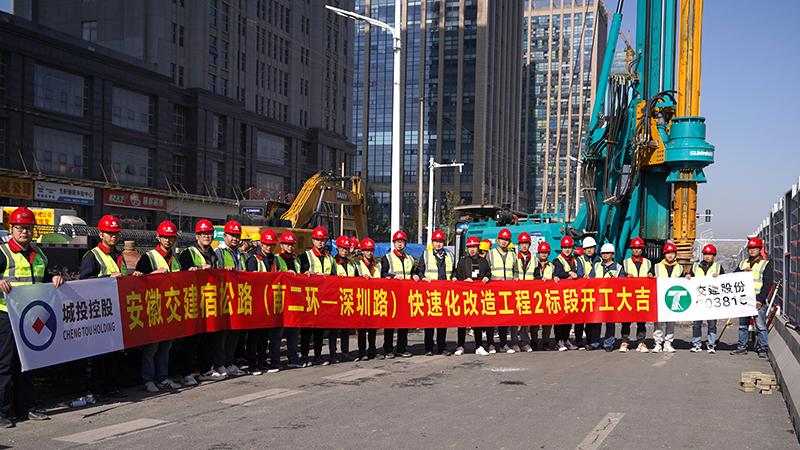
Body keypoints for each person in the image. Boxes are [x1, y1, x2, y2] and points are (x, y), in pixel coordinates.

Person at [0, 207, 63, 427]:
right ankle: (1, 413)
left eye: (28, 228)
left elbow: (43, 277)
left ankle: (24, 408)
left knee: (27, 365)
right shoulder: (3, 252)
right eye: (20, 228)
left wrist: (54, 278)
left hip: (29, 319)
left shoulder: (39, 255)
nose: (24, 232)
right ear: (12, 229)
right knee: (4, 366)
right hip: (6, 317)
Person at [79, 215, 128, 401]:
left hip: (114, 310)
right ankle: (95, 390)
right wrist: (108, 279)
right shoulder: (92, 256)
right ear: (100, 234)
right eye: (109, 233)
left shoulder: (119, 256)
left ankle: (111, 387)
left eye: (116, 233)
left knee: (113, 352)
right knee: (97, 354)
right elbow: (84, 282)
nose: (114, 236)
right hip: (98, 312)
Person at [133, 221, 182, 393]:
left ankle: (162, 378)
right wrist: (155, 274)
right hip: (153, 309)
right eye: (165, 237)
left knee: (165, 346)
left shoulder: (175, 259)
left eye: (171, 237)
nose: (168, 240)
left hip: (170, 308)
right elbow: (138, 280)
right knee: (152, 347)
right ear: (158, 237)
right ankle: (148, 380)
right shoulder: (148, 257)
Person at [179, 219, 225, 383]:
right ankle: (187, 373)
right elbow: (181, 275)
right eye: (203, 234)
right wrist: (198, 269)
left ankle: (205, 370)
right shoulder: (188, 253)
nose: (207, 236)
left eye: (209, 233)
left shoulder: (213, 254)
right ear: (196, 236)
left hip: (209, 303)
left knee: (208, 339)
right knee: (192, 341)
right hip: (193, 303)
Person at [213, 220, 248, 376]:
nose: (235, 238)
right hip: (224, 299)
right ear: (224, 235)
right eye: (232, 235)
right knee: (222, 335)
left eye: (237, 235)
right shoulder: (218, 252)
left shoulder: (241, 254)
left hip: (238, 299)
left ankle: (230, 363)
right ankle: (219, 365)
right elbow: (215, 273)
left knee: (234, 334)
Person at [299, 226, 335, 366]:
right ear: (313, 240)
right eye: (317, 239)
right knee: (307, 329)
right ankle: (305, 355)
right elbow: (301, 275)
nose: (320, 242)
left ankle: (318, 355)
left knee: (320, 328)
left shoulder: (330, 258)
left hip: (324, 298)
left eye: (322, 240)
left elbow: (334, 277)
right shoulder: (305, 256)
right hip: (310, 298)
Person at [732, 238, 773, 358]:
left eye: (755, 248)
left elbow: (767, 284)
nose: (752, 250)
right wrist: (742, 271)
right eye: (750, 248)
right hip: (744, 300)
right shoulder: (743, 263)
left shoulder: (765, 264)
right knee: (743, 326)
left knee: (760, 326)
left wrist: (760, 299)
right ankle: (742, 347)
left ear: (760, 250)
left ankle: (762, 348)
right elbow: (733, 277)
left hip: (757, 300)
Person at [417, 230, 455, 356]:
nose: (438, 244)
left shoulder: (450, 256)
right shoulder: (426, 254)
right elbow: (419, 271)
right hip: (430, 294)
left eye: (440, 242)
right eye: (436, 241)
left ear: (444, 243)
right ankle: (428, 347)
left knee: (443, 323)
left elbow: (453, 271)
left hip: (445, 294)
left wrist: (455, 277)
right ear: (432, 242)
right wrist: (423, 278)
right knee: (430, 322)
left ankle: (442, 347)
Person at [244, 229, 277, 374]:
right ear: (261, 244)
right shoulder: (253, 259)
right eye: (266, 244)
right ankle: (252, 364)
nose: (269, 247)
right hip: (255, 303)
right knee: (254, 335)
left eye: (271, 244)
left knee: (264, 335)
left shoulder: (274, 259)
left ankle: (263, 362)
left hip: (268, 303)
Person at [381, 230, 419, 358]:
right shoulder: (387, 258)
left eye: (401, 242)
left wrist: (415, 275)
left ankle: (401, 348)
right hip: (391, 296)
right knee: (390, 323)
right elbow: (382, 274)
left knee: (404, 323)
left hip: (405, 295)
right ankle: (388, 349)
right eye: (397, 242)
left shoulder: (410, 259)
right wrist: (392, 276)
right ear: (394, 243)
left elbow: (413, 272)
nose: (399, 244)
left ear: (405, 244)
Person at [271, 232, 304, 369]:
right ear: (281, 245)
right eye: (287, 244)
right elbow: (272, 276)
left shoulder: (296, 260)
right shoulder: (276, 259)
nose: (290, 247)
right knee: (277, 333)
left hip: (294, 301)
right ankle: (275, 361)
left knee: (294, 332)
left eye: (292, 244)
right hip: (280, 301)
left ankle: (293, 358)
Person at [454, 236, 492, 355]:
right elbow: (458, 275)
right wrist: (464, 281)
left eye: (474, 247)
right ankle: (460, 345)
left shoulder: (483, 262)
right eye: (470, 247)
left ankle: (479, 346)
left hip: (479, 296)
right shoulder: (463, 261)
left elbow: (488, 273)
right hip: (465, 296)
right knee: (462, 321)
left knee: (478, 322)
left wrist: (487, 278)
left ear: (478, 248)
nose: (472, 250)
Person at [685, 244, 724, 354]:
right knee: (697, 323)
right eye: (705, 254)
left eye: (710, 254)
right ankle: (696, 344)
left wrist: (718, 277)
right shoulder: (695, 266)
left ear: (714, 256)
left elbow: (724, 282)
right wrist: (688, 276)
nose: (707, 256)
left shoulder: (718, 267)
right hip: (699, 300)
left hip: (712, 300)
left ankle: (711, 344)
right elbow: (689, 277)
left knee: (711, 324)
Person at [590, 243, 627, 351]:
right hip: (598, 298)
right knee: (596, 321)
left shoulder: (618, 268)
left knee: (610, 322)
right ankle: (595, 343)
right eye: (603, 253)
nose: (605, 255)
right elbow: (591, 280)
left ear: (612, 254)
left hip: (611, 299)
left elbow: (621, 282)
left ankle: (608, 344)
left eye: (607, 253)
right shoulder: (597, 266)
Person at [487, 228, 519, 353]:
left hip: (507, 291)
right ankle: (490, 343)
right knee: (492, 318)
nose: (504, 242)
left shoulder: (512, 255)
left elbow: (515, 271)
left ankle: (503, 343)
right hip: (494, 290)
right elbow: (486, 271)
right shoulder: (491, 253)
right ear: (498, 240)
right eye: (502, 239)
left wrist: (516, 278)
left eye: (506, 240)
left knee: (504, 318)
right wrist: (494, 278)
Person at [622, 237, 654, 353]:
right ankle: (624, 342)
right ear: (631, 249)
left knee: (641, 320)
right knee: (626, 319)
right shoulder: (625, 262)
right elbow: (620, 276)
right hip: (629, 295)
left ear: (642, 249)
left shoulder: (648, 262)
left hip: (642, 295)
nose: (636, 250)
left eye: (638, 248)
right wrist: (626, 277)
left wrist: (651, 275)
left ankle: (641, 342)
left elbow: (652, 274)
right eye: (634, 248)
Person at [331, 235, 358, 363]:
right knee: (333, 329)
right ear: (337, 248)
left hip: (347, 300)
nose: (344, 251)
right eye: (342, 248)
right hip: (335, 300)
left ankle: (345, 352)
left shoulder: (351, 264)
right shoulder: (332, 262)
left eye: (346, 248)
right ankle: (333, 354)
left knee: (345, 329)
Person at [652, 242, 683, 353]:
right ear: (664, 254)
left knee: (670, 322)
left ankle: (668, 343)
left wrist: (687, 277)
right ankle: (658, 343)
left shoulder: (679, 268)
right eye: (668, 253)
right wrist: (650, 276)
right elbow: (649, 276)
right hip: (660, 297)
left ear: (675, 255)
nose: (670, 255)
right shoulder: (657, 266)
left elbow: (686, 280)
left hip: (672, 299)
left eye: (672, 253)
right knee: (658, 322)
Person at [356, 237, 382, 361]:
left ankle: (372, 350)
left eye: (371, 250)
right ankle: (362, 352)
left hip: (375, 299)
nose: (369, 253)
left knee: (373, 327)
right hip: (362, 300)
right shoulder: (357, 265)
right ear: (362, 251)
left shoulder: (378, 265)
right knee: (362, 327)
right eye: (366, 250)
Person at [552, 236, 580, 351]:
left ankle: (566, 339)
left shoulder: (576, 259)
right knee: (560, 318)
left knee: (569, 317)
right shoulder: (557, 260)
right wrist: (569, 273)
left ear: (573, 248)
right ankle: (559, 341)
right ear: (561, 248)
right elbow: (558, 272)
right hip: (560, 293)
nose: (567, 250)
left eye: (569, 247)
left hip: (572, 293)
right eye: (565, 247)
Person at [531, 241, 557, 351]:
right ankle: (534, 342)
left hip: (547, 297)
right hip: (535, 296)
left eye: (546, 252)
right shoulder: (533, 264)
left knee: (548, 322)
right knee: (535, 322)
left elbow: (556, 276)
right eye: (542, 252)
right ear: (538, 253)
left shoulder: (552, 266)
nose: (544, 254)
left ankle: (546, 342)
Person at [576, 237, 601, 348]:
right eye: (587, 248)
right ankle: (579, 339)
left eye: (591, 247)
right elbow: (579, 272)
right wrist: (582, 275)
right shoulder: (580, 259)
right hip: (582, 291)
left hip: (594, 292)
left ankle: (591, 340)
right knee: (580, 317)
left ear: (595, 248)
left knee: (592, 318)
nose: (589, 250)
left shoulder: (599, 260)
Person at [515, 232, 535, 352]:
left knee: (526, 319)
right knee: (514, 318)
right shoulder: (514, 257)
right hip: (516, 291)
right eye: (522, 243)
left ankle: (525, 341)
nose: (524, 246)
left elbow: (537, 275)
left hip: (528, 292)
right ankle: (514, 341)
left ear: (529, 244)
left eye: (526, 243)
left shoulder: (534, 259)